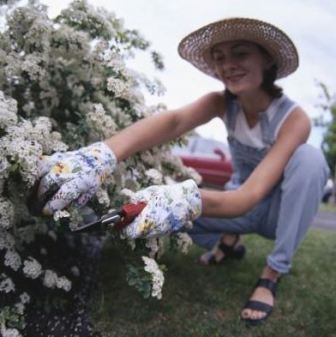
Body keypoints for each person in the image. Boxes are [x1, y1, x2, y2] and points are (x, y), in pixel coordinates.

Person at [35, 17, 330, 325]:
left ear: (267, 59)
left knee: (310, 159)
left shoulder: (293, 118)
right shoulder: (221, 103)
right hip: (238, 207)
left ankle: (272, 274)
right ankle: (230, 242)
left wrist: (184, 200)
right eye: (219, 57)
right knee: (176, 220)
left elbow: (251, 195)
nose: (228, 64)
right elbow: (174, 121)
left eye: (240, 53)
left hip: (276, 212)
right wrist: (102, 154)